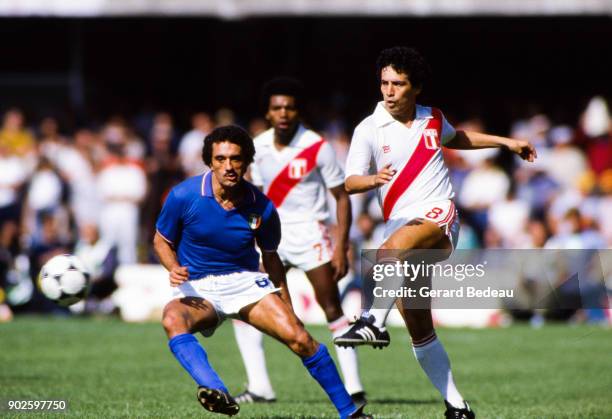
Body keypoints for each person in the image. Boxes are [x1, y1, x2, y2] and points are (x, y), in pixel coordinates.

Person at [334, 47, 537, 419]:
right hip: (403, 232)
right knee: (420, 330)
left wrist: (507, 142)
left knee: (387, 252)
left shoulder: (432, 119)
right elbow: (349, 181)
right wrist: (372, 180)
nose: (389, 91)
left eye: (398, 84)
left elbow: (457, 137)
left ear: (417, 88)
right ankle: (457, 406)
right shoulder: (368, 128)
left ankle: (372, 322)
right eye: (384, 83)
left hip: (438, 217)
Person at [154, 125, 371, 418]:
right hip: (197, 286)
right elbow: (161, 240)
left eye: (236, 159)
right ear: (209, 161)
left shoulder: (262, 207)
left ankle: (350, 412)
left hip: (245, 284)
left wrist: (287, 304)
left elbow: (271, 260)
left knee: (301, 339)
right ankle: (216, 391)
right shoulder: (183, 195)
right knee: (171, 319)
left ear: (247, 162)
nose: (229, 166)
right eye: (220, 159)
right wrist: (173, 267)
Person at [232, 77, 365, 405]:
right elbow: (256, 197)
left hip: (310, 234)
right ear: (267, 112)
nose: (283, 113)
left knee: (331, 307)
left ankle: (352, 386)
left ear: (298, 111)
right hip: (272, 237)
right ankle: (260, 386)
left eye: (290, 107)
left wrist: (341, 245)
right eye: (277, 107)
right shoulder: (257, 147)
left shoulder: (318, 147)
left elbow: (342, 197)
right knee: (247, 307)